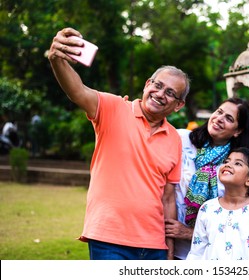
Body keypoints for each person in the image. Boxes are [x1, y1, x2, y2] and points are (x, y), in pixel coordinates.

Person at [48, 27, 191, 260]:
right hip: (109, 239)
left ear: (178, 105)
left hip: (155, 245)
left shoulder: (174, 138)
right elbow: (77, 91)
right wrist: (56, 59)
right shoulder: (112, 108)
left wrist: (169, 247)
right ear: (147, 84)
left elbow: (167, 197)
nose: (160, 93)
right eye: (157, 85)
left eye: (170, 93)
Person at [165, 97, 249, 260]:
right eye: (219, 112)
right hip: (165, 242)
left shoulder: (235, 166)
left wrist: (189, 233)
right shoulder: (182, 140)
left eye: (229, 118)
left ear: (238, 131)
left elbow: (237, 217)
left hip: (208, 253)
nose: (219, 119)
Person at [186, 147, 249, 260]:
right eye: (226, 161)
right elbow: (196, 253)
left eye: (238, 163)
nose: (228, 165)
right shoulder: (207, 208)